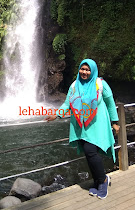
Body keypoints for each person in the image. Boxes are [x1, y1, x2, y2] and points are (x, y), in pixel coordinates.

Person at [45, 58, 120, 199]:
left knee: (90, 151)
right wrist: (56, 115)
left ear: (92, 71)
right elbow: (67, 103)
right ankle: (98, 181)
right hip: (82, 126)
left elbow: (110, 103)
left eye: (87, 69)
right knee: (88, 153)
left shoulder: (100, 84)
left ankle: (103, 180)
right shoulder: (75, 85)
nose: (84, 72)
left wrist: (115, 122)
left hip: (98, 124)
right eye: (82, 69)